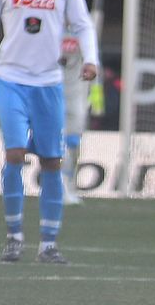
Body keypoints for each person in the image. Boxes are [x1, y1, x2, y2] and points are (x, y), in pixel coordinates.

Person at [0, 0, 99, 264]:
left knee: (51, 161)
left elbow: (83, 25)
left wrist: (91, 59)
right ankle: (14, 237)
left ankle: (48, 244)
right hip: (12, 80)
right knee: (14, 154)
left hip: (48, 83)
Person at [60, 31, 90, 205]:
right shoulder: (49, 25)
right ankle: (60, 186)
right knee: (58, 144)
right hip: (52, 94)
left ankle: (70, 185)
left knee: (73, 143)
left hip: (76, 96)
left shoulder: (84, 30)